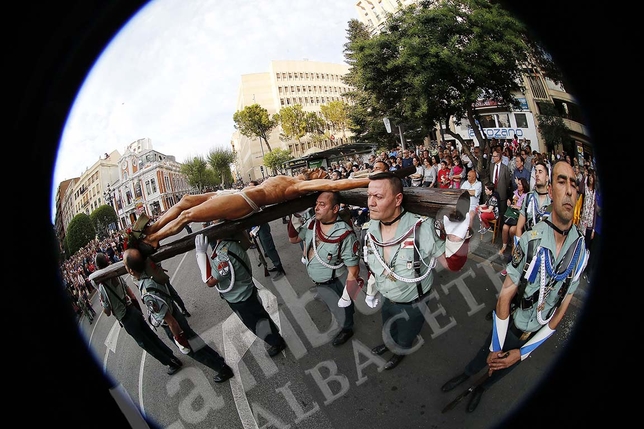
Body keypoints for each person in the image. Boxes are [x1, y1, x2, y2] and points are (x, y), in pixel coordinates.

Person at [440, 160, 589, 413]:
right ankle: (467, 374)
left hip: (534, 334)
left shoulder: (581, 252)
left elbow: (558, 316)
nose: (569, 190)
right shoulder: (531, 240)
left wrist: (523, 353)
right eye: (561, 182)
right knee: (485, 356)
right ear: (551, 192)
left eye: (574, 184)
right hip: (512, 323)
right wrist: (498, 348)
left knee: (504, 370)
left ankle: (481, 388)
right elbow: (504, 297)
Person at [361, 172, 472, 370]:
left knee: (406, 333)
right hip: (387, 297)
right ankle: (389, 344)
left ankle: (399, 351)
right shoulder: (371, 228)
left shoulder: (421, 227)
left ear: (398, 199)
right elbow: (374, 262)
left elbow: (452, 266)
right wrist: (372, 290)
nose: (371, 203)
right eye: (369, 196)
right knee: (388, 325)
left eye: (378, 197)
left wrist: (457, 238)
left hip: (413, 302)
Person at [131, 168, 371, 251]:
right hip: (237, 193)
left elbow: (335, 184)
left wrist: (371, 178)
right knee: (185, 201)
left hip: (245, 201)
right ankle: (152, 227)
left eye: (322, 174)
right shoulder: (293, 177)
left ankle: (154, 238)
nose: (321, 173)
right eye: (320, 172)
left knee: (188, 216)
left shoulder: (299, 185)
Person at [123, 247, 235, 383]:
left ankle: (222, 369)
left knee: (193, 350)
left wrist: (179, 338)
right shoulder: (151, 271)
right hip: (175, 311)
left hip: (173, 323)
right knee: (195, 341)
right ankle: (218, 359)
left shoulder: (148, 293)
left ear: (130, 271)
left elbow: (170, 322)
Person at [287, 191, 362, 347]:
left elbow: (354, 270)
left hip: (336, 281)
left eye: (322, 204)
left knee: (343, 306)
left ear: (335, 209)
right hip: (319, 281)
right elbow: (293, 239)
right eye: (316, 204)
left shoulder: (344, 233)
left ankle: (347, 328)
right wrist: (292, 215)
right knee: (333, 304)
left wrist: (347, 295)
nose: (316, 208)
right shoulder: (311, 224)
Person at [193, 234, 287, 357]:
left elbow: (210, 281)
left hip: (240, 297)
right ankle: (275, 336)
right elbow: (247, 243)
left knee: (256, 323)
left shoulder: (222, 255)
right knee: (260, 316)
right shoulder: (232, 240)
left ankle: (276, 342)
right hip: (246, 290)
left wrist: (201, 254)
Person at [94, 252, 184, 375]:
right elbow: (131, 294)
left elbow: (107, 312)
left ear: (98, 268)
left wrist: (103, 303)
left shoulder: (102, 288)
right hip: (133, 309)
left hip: (125, 318)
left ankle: (170, 362)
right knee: (151, 336)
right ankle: (172, 356)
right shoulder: (117, 276)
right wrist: (138, 310)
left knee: (146, 343)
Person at [246, 180, 286, 281]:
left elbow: (259, 215)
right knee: (265, 248)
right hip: (258, 227)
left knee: (269, 248)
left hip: (262, 226)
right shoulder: (252, 198)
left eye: (252, 187)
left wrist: (253, 230)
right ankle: (275, 264)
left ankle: (279, 268)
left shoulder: (259, 199)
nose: (250, 188)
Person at [498, 177, 529, 256]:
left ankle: (513, 243)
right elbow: (510, 201)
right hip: (511, 215)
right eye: (517, 184)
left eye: (519, 184)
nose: (518, 185)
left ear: (523, 186)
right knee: (505, 228)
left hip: (519, 216)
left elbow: (527, 208)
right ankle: (504, 246)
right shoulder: (514, 193)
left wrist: (518, 207)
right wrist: (509, 202)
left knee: (512, 230)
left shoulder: (527, 196)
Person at [489, 147, 512, 239]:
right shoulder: (491, 166)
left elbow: (507, 183)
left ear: (499, 157)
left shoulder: (505, 168)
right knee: (492, 211)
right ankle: (493, 229)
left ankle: (502, 231)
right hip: (493, 193)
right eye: (493, 156)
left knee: (501, 212)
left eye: (495, 156)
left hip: (502, 194)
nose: (493, 158)